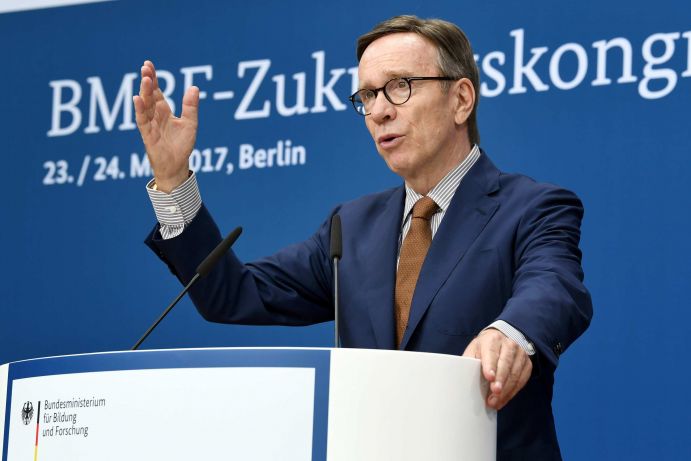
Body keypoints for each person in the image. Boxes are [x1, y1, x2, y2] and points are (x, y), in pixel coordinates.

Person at [134, 15, 592, 460]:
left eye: (400, 86)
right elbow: (232, 294)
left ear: (461, 99)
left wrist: (510, 334)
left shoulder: (532, 207)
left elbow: (555, 287)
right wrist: (173, 180)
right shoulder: (350, 227)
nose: (379, 111)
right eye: (368, 95)